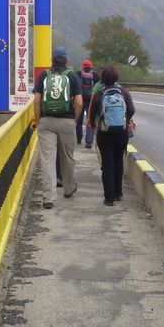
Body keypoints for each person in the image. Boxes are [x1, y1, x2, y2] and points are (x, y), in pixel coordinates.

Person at [31, 46, 83, 209]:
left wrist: (39, 121)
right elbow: (80, 103)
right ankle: (68, 189)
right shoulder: (72, 76)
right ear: (67, 60)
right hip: (67, 121)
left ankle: (48, 198)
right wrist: (74, 120)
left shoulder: (43, 76)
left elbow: (37, 101)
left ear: (52, 60)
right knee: (67, 157)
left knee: (48, 159)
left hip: (47, 121)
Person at [88, 65, 135, 206]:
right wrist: (125, 120)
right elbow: (132, 110)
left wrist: (95, 124)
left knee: (107, 164)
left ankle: (109, 198)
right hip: (121, 132)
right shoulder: (124, 92)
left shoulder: (99, 94)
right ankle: (118, 193)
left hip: (105, 133)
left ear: (102, 78)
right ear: (116, 77)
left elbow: (92, 115)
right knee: (118, 161)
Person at [75, 59, 100, 148]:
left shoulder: (78, 74)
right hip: (91, 101)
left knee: (79, 120)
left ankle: (79, 138)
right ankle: (89, 141)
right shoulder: (95, 75)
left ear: (83, 65)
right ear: (91, 65)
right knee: (91, 120)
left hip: (80, 100)